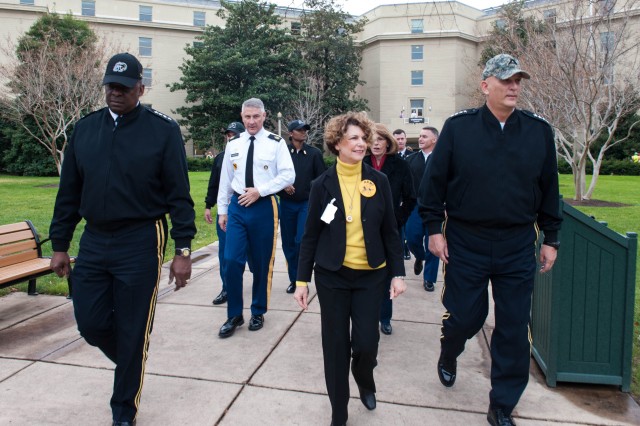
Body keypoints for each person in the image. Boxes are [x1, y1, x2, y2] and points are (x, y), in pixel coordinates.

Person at [49, 52, 196, 426]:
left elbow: (180, 196)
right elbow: (68, 192)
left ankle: (123, 411)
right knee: (92, 323)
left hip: (141, 238)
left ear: (140, 88)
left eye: (124, 87)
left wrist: (183, 250)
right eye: (110, 87)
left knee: (133, 326)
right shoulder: (85, 129)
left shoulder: (162, 130)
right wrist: (60, 244)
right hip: (95, 239)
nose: (116, 93)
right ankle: (133, 358)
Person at [419, 53, 562, 426]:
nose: (514, 86)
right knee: (466, 316)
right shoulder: (459, 127)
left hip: (516, 242)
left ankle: (502, 403)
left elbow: (549, 188)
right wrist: (434, 228)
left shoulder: (537, 130)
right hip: (467, 239)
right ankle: (450, 350)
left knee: (514, 326)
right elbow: (433, 184)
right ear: (486, 86)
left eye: (518, 81)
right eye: (506, 80)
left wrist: (552, 237)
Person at [294, 112, 407, 426]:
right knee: (335, 346)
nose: (362, 143)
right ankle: (339, 412)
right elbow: (311, 235)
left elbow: (389, 231)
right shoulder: (322, 185)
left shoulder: (378, 181)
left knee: (366, 344)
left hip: (372, 275)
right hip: (332, 275)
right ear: (337, 144)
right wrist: (302, 280)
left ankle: (365, 378)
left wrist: (397, 273)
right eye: (354, 138)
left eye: (363, 138)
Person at [217, 97, 295, 338]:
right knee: (231, 260)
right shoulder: (234, 144)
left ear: (264, 116)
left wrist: (260, 191)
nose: (251, 121)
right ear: (242, 117)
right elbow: (226, 180)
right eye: (247, 117)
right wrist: (222, 210)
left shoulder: (276, 143)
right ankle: (234, 314)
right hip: (238, 207)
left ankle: (258, 310)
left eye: (256, 117)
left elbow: (288, 175)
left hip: (263, 206)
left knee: (262, 262)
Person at [364, 123, 415, 335]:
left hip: (390, 227)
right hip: (363, 226)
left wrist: (398, 220)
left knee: (387, 274)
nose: (376, 144)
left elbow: (410, 197)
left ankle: (385, 317)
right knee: (365, 274)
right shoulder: (361, 163)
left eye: (380, 139)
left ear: (388, 142)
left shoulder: (400, 165)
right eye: (372, 140)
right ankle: (365, 316)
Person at [278, 119, 326, 294]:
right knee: (289, 243)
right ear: (291, 134)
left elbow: (322, 179)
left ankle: (301, 278)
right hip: (286, 204)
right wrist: (283, 185)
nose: (304, 132)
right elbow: (272, 175)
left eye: (305, 129)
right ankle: (294, 279)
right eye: (299, 130)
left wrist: (311, 188)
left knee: (300, 241)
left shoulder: (314, 153)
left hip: (306, 204)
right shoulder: (282, 153)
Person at [205, 121, 246, 305]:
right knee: (225, 253)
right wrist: (208, 205)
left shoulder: (248, 155)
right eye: (229, 135)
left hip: (246, 209)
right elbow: (214, 184)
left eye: (235, 135)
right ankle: (227, 288)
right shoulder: (221, 158)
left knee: (250, 255)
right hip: (226, 211)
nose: (231, 138)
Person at [406, 126, 440, 292]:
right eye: (419, 136)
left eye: (424, 136)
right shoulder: (411, 159)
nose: (420, 139)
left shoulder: (443, 159)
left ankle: (429, 279)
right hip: (415, 207)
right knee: (412, 238)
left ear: (434, 139)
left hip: (436, 207)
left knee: (433, 243)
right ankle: (419, 256)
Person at [393, 128, 413, 260]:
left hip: (408, 197)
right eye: (397, 139)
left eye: (402, 139)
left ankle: (407, 248)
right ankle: (404, 249)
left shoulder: (412, 156)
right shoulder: (391, 157)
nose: (400, 141)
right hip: (395, 199)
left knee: (408, 228)